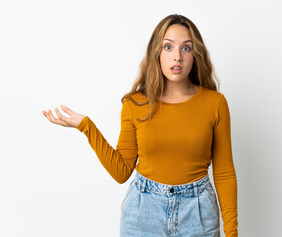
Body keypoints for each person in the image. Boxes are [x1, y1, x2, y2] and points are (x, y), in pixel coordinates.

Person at [42, 14, 238, 237]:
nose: (177, 57)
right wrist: (86, 126)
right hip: (143, 216)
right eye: (168, 47)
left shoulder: (214, 104)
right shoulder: (135, 104)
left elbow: (224, 172)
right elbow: (121, 172)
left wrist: (232, 233)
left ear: (195, 55)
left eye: (186, 48)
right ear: (156, 52)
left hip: (197, 216)